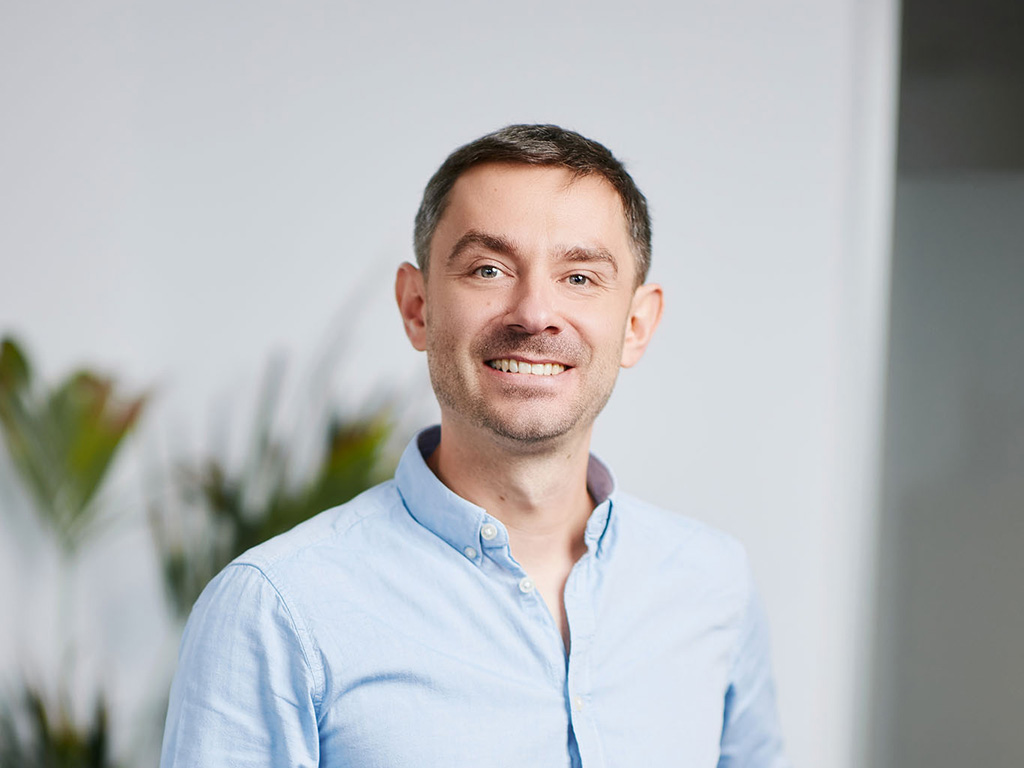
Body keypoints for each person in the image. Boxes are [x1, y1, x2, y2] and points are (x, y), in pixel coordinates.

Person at [160, 124, 790, 767]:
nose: (534, 313)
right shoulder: (277, 609)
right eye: (489, 270)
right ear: (417, 307)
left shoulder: (713, 584)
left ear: (636, 324)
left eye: (579, 277)